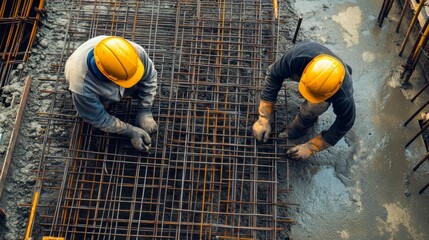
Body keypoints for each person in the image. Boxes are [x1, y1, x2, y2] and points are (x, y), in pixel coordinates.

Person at [252, 41, 355, 160]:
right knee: (282, 70)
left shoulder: (343, 95)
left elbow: (345, 124)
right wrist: (263, 117)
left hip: (329, 86)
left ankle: (303, 123)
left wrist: (311, 147)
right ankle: (308, 90)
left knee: (315, 107)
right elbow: (274, 75)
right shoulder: (298, 56)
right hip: (304, 66)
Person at [65, 35, 158, 152]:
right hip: (90, 87)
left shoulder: (135, 54)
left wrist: (145, 110)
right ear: (109, 79)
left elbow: (149, 77)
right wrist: (129, 131)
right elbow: (97, 117)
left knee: (138, 85)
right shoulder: (82, 86)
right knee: (101, 108)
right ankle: (105, 101)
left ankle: (129, 90)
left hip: (113, 74)